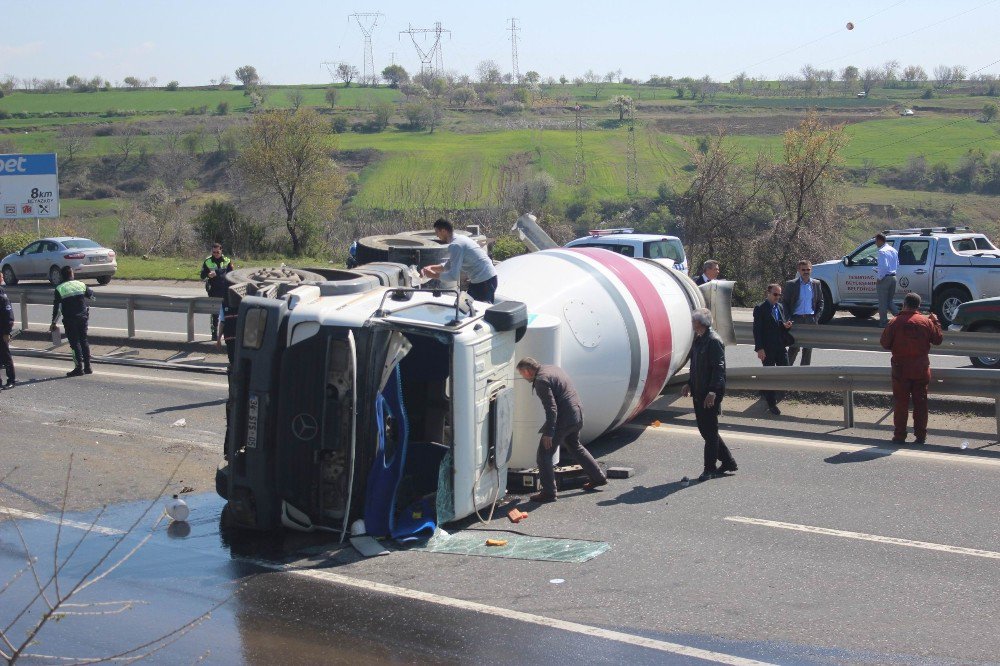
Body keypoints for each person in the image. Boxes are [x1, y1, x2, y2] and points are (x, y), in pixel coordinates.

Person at [516, 357, 607, 502]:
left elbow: (551, 409)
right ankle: (598, 477)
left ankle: (549, 492)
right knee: (575, 446)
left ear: (527, 371)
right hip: (577, 413)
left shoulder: (541, 381)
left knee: (544, 456)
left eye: (522, 374)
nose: (523, 377)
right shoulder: (552, 368)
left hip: (563, 420)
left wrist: (549, 433)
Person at [880, 292, 943, 444]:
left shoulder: (895, 322)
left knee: (901, 403)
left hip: (900, 370)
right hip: (921, 370)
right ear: (918, 306)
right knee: (921, 403)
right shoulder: (926, 322)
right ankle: (920, 435)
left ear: (904, 304)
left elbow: (884, 343)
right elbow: (938, 340)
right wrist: (936, 322)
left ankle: (899, 435)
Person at [683, 308, 738, 481]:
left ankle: (710, 469)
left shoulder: (713, 341)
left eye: (694, 321)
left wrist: (713, 392)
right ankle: (728, 461)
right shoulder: (699, 340)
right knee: (706, 431)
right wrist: (689, 383)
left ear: (700, 323)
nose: (692, 323)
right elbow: (695, 367)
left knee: (710, 432)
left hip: (710, 393)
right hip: (699, 392)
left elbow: (718, 369)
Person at [420, 219, 498, 304]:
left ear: (443, 231)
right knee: (467, 307)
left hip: (485, 281)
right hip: (480, 280)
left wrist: (432, 275)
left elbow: (454, 276)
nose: (437, 236)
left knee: (479, 310)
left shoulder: (456, 245)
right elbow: (448, 265)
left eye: (437, 232)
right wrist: (430, 268)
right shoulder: (460, 239)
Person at [752, 283, 793, 415]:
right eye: (775, 294)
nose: (777, 297)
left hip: (780, 346)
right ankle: (771, 402)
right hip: (767, 348)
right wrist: (759, 349)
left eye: (779, 295)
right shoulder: (760, 308)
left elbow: (779, 324)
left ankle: (768, 392)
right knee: (769, 375)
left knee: (785, 370)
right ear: (768, 293)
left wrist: (786, 326)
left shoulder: (780, 307)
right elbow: (757, 330)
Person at [50, 266, 94, 377]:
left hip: (70, 319)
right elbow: (92, 296)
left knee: (75, 343)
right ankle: (88, 367)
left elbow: (58, 309)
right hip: (83, 317)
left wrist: (54, 323)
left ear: (61, 276)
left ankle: (78, 368)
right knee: (84, 340)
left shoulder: (59, 288)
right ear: (72, 274)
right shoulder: (80, 284)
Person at [782, 259, 824, 366]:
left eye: (808, 269)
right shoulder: (791, 284)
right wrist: (788, 318)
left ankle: (804, 372)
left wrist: (816, 317)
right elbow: (785, 303)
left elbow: (820, 302)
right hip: (796, 319)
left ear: (811, 270)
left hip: (810, 320)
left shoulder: (816, 284)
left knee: (808, 349)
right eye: (803, 269)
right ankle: (785, 370)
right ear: (799, 271)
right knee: (794, 347)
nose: (806, 272)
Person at [200, 242, 235, 341]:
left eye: (217, 252)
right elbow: (202, 275)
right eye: (214, 252)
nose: (215, 254)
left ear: (221, 251)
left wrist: (218, 272)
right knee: (214, 313)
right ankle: (214, 333)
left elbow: (232, 274)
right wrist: (208, 274)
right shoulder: (208, 261)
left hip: (225, 290)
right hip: (213, 290)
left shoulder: (227, 260)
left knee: (226, 313)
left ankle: (226, 334)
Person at [874, 233, 899, 328]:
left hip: (885, 278)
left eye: (876, 241)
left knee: (882, 302)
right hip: (893, 277)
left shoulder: (882, 251)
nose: (875, 243)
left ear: (880, 240)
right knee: (889, 301)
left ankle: (883, 322)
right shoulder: (893, 250)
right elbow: (897, 264)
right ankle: (900, 317)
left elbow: (884, 266)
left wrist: (879, 278)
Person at [215, 289, 239, 365]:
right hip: (230, 338)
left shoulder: (243, 302)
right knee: (232, 360)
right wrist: (218, 339)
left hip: (240, 338)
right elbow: (222, 322)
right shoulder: (224, 304)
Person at [0, 270, 15, 388]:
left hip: (2, 331)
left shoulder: (2, 297)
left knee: (6, 356)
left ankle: (11, 380)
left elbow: (9, 316)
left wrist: (7, 332)